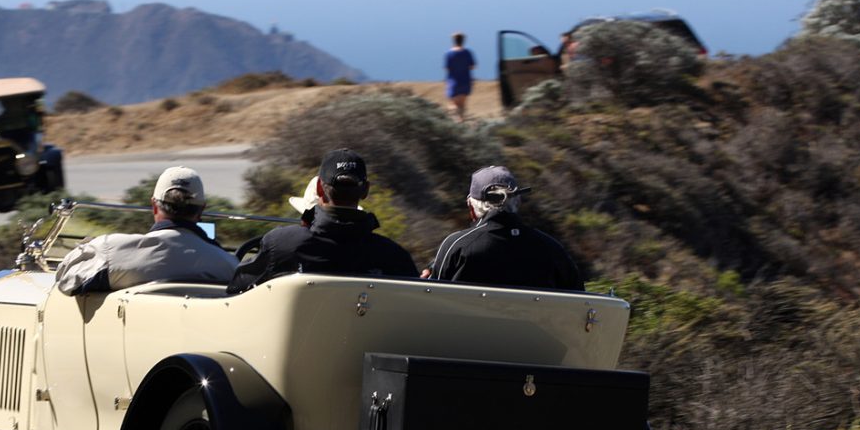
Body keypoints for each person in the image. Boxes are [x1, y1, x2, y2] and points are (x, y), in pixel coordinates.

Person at [227, 149, 417, 294]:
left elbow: (236, 292)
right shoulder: (394, 256)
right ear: (365, 190)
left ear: (319, 187)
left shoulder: (281, 244)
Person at [55, 166, 236, 294]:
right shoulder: (229, 265)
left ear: (154, 206)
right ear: (201, 209)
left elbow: (65, 279)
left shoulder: (110, 251)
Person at [425, 165, 583, 290]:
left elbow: (433, 297)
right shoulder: (552, 248)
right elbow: (578, 299)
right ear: (517, 202)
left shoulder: (456, 246)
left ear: (471, 207)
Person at [444, 32, 476, 122]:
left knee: (452, 103)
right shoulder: (467, 52)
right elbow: (472, 66)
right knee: (462, 104)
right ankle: (461, 121)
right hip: (465, 80)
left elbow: (447, 67)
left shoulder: (449, 53)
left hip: (454, 81)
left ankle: (456, 120)